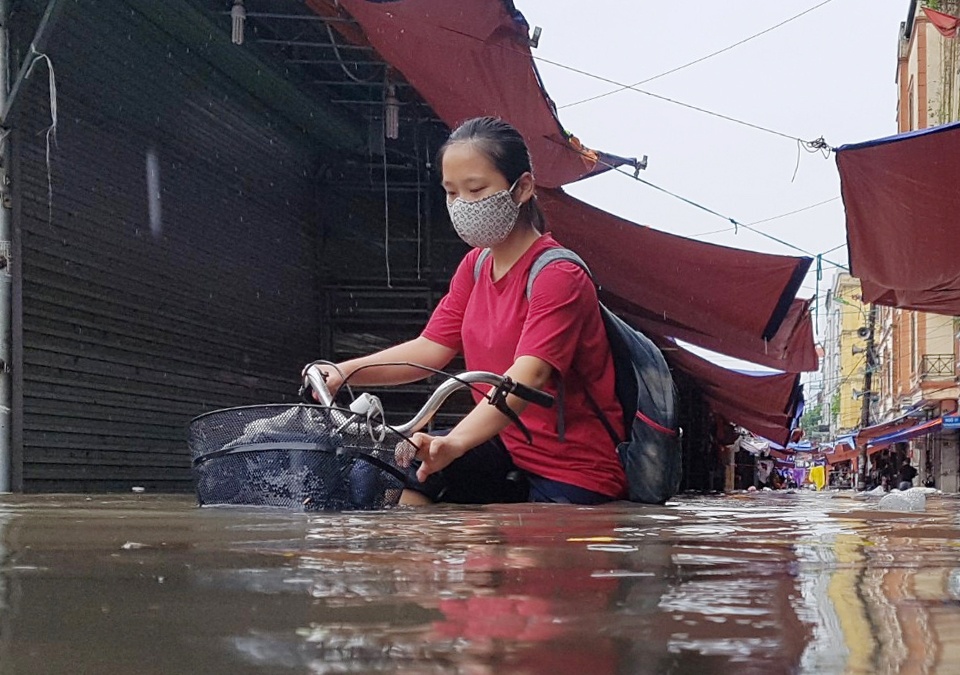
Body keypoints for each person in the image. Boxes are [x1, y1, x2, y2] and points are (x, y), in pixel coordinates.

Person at [311, 116, 627, 506]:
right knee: (404, 478)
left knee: (531, 561)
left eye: (476, 190)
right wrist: (346, 371)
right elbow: (431, 348)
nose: (462, 205)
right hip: (506, 450)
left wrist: (455, 441)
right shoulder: (475, 267)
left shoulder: (558, 275)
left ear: (523, 188)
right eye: (451, 192)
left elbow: (528, 377)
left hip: (574, 472)